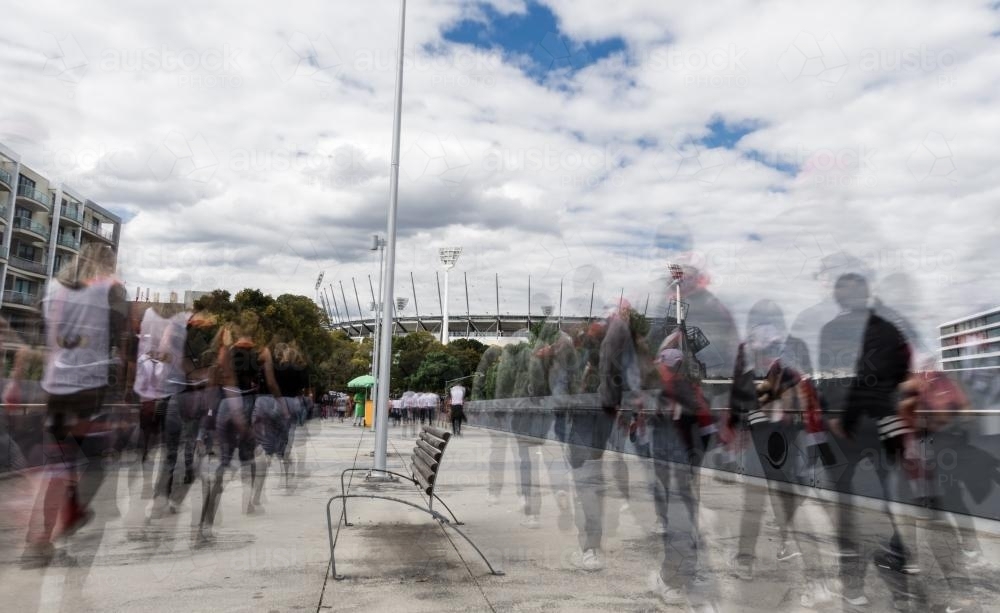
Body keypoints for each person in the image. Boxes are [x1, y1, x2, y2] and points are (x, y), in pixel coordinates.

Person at [20, 244, 128, 568]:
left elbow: (38, 334)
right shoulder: (111, 291)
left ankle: (38, 544)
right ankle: (72, 512)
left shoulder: (51, 289)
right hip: (90, 391)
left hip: (55, 389)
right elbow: (122, 342)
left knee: (57, 467)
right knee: (96, 460)